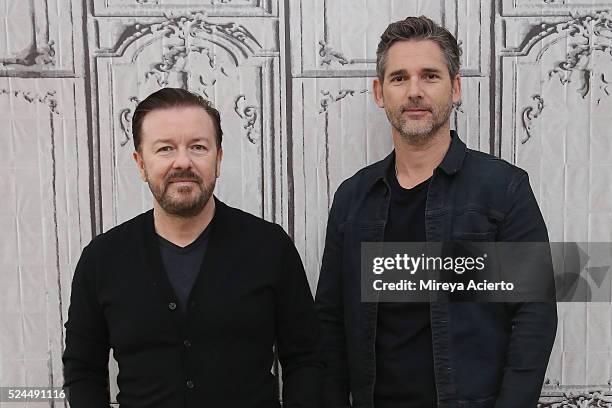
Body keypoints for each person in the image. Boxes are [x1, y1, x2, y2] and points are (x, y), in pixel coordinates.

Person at [315, 16, 557, 408]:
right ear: (379, 92)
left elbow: (535, 316)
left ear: (455, 87)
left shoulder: (503, 189)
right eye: (399, 78)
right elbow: (330, 321)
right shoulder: (352, 198)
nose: (414, 92)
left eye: (430, 76)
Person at [63, 88, 322, 407]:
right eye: (165, 149)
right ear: (140, 163)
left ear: (218, 158)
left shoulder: (270, 247)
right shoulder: (101, 259)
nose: (182, 162)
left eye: (198, 147)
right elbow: (82, 370)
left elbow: (307, 359)